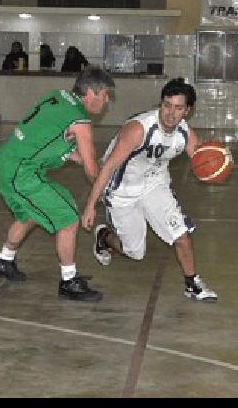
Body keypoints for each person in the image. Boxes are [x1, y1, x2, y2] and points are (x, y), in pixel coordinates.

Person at [81, 77, 218, 302]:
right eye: (166, 105)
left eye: (178, 108)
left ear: (188, 110)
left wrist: (217, 163)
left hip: (155, 185)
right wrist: (90, 205)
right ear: (161, 103)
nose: (170, 113)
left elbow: (202, 162)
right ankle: (104, 236)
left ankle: (192, 283)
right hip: (121, 189)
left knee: (180, 234)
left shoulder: (185, 134)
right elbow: (107, 168)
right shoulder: (139, 129)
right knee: (135, 252)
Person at [0, 66, 114, 301]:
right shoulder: (81, 122)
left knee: (33, 213)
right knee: (68, 219)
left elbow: (44, 135)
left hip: (8, 163)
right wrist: (102, 196)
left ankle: (4, 260)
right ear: (91, 93)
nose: (106, 102)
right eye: (105, 95)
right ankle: (69, 281)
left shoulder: (57, 97)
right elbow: (92, 170)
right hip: (20, 173)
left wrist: (73, 156)